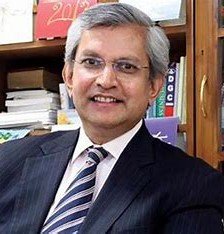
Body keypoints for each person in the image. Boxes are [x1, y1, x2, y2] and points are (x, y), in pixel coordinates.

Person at [0, 2, 224, 234]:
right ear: (68, 76)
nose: (106, 81)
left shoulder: (193, 185)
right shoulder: (9, 159)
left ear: (154, 86)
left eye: (126, 66)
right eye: (91, 62)